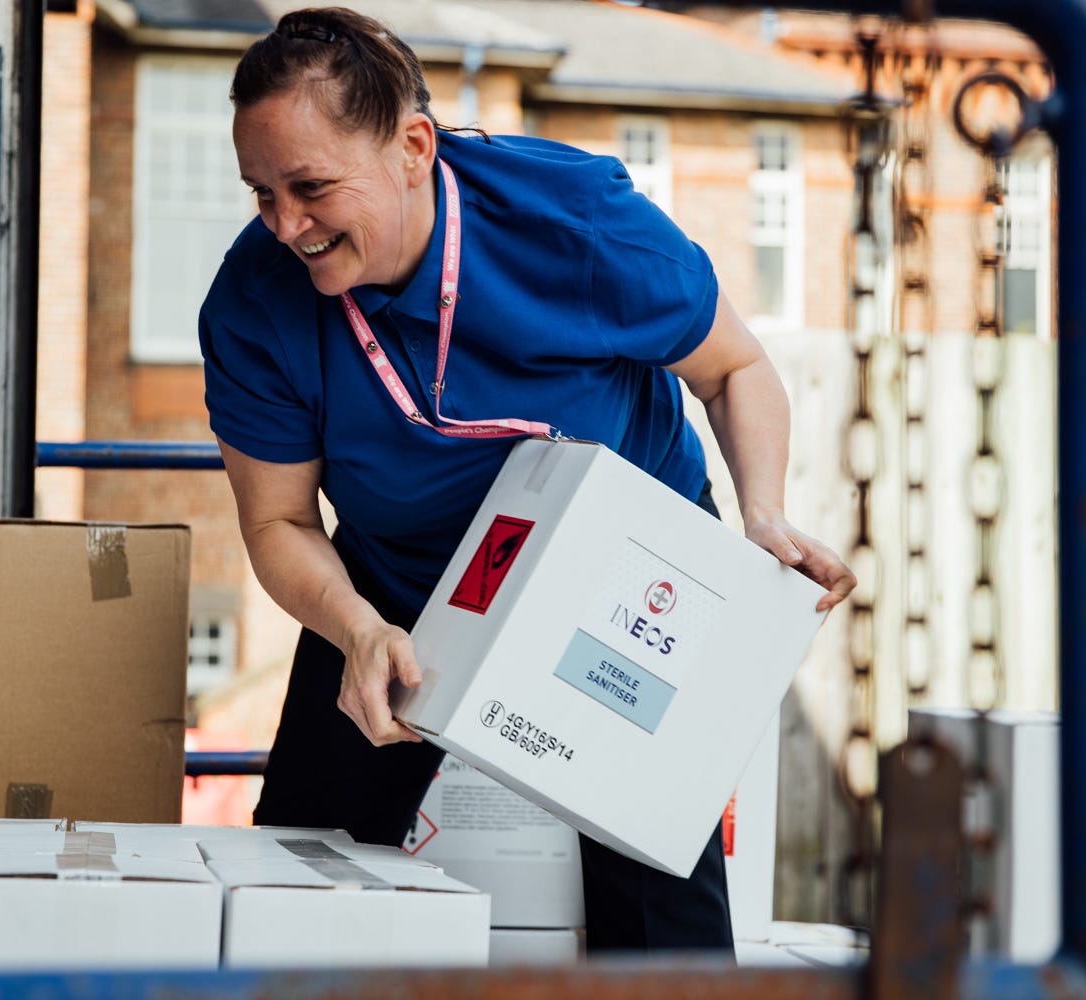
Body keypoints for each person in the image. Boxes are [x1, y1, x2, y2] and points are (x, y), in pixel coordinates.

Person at [199, 6, 856, 955]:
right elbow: (278, 523)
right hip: (401, 581)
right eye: (261, 192)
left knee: (657, 889)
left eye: (311, 186)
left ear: (414, 147)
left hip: (617, 562)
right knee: (309, 865)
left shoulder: (574, 220)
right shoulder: (253, 298)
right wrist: (358, 630)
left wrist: (761, 513)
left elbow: (735, 369)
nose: (286, 225)